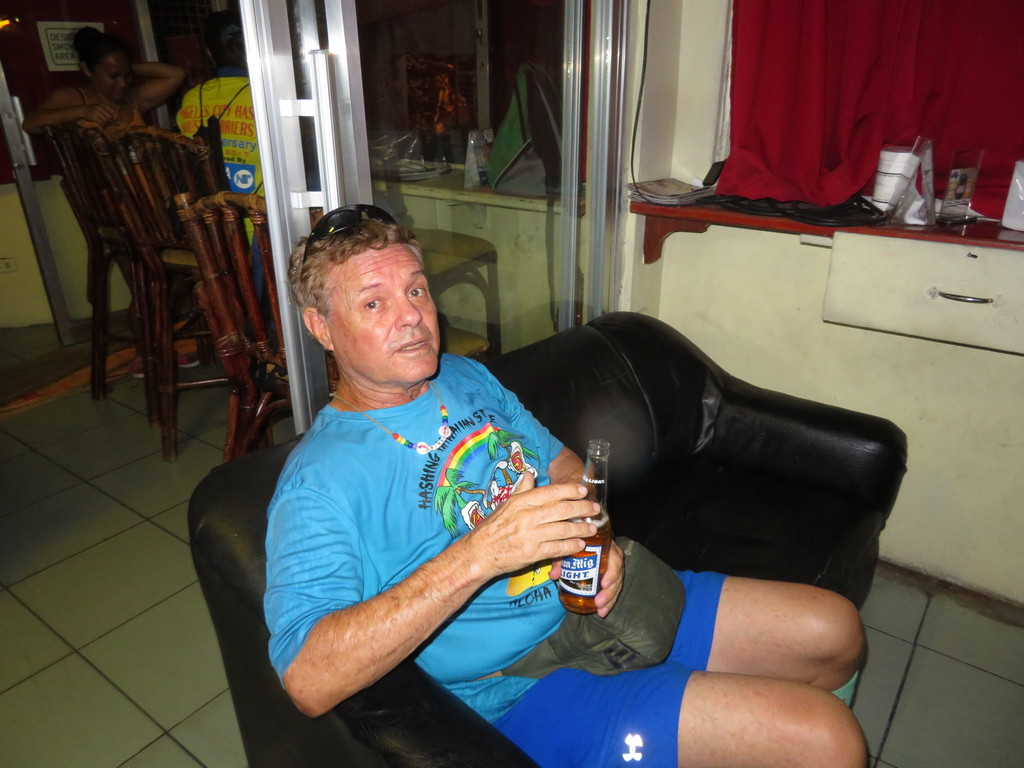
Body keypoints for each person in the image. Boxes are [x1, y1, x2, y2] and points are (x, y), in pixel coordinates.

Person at [264, 204, 868, 768]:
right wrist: (479, 555)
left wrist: (595, 539)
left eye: (416, 289)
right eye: (373, 302)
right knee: (828, 740)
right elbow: (307, 679)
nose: (412, 317)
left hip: (597, 603)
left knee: (836, 631)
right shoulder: (319, 482)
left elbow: (563, 464)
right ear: (322, 326)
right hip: (519, 686)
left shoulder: (465, 377)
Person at [22, 26, 185, 136]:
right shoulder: (73, 97)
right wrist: (82, 112)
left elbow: (176, 74)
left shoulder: (132, 98)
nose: (123, 83)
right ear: (87, 69)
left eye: (127, 75)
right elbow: (30, 124)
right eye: (113, 76)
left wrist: (126, 67)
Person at [176, 11, 260, 195]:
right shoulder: (265, 95)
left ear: (208, 53)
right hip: (261, 209)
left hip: (207, 208)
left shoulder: (192, 97)